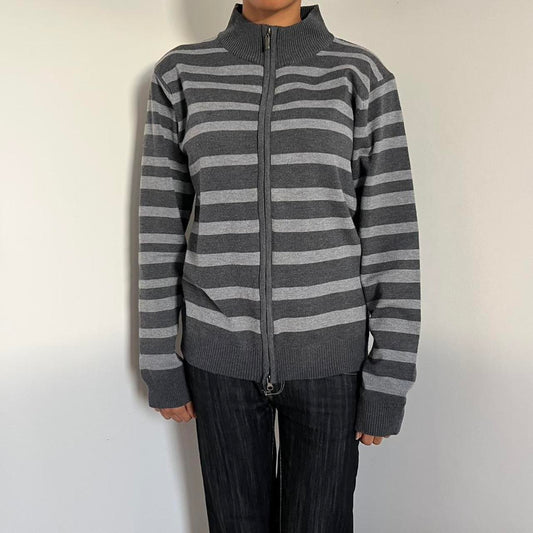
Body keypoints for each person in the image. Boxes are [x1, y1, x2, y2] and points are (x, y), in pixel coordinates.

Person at [137, 1, 421, 531]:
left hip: (330, 363)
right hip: (218, 359)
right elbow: (160, 225)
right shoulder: (180, 73)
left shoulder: (360, 74)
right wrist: (159, 359)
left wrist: (390, 374)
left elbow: (392, 233)